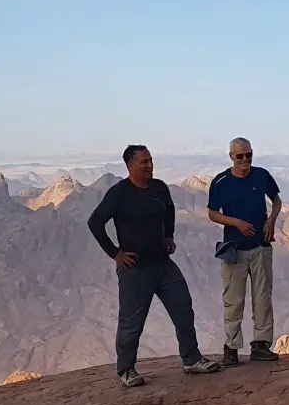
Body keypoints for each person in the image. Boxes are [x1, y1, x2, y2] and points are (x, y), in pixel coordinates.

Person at [87, 145, 222, 388]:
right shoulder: (119, 194)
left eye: (150, 161)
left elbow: (169, 210)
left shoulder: (159, 188)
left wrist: (168, 235)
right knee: (131, 322)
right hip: (135, 269)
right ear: (130, 166)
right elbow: (95, 222)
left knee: (183, 307)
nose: (149, 165)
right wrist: (115, 254)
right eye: (144, 162)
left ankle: (191, 359)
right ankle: (126, 370)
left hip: (163, 264)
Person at [206, 138, 283, 366]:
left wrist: (272, 220)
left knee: (262, 299)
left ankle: (261, 345)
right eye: (240, 156)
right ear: (231, 156)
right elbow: (212, 213)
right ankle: (231, 347)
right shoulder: (221, 181)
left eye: (248, 155)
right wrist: (236, 223)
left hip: (260, 247)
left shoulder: (261, 175)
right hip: (234, 250)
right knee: (234, 300)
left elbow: (276, 200)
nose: (245, 160)